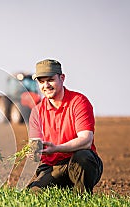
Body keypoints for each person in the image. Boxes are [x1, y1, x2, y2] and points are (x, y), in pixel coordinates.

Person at [27, 59, 103, 194]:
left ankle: (82, 198)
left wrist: (57, 148)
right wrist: (33, 152)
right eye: (41, 81)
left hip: (78, 163)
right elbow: (36, 144)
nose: (46, 85)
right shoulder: (37, 112)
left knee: (83, 157)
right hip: (52, 166)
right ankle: (64, 187)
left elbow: (86, 140)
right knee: (34, 193)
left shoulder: (78, 102)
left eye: (50, 80)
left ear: (62, 78)